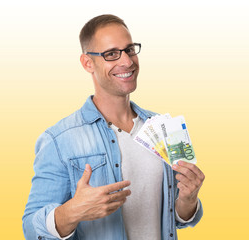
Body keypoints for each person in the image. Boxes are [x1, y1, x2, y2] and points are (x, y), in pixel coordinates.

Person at [22, 14, 205, 240]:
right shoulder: (59, 140)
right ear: (88, 63)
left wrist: (188, 200)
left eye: (129, 50)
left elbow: (175, 217)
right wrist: (71, 211)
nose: (127, 61)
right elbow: (31, 228)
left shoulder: (161, 127)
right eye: (111, 54)